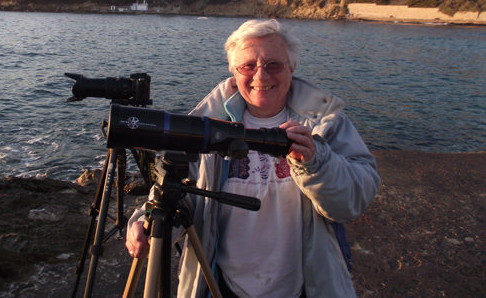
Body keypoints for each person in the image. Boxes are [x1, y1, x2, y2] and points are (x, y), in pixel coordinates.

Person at [126, 19, 380, 298]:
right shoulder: (207, 122)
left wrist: (316, 161)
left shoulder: (325, 122)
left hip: (308, 287)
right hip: (218, 284)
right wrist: (146, 222)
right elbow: (183, 189)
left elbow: (356, 197)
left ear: (291, 67)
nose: (261, 76)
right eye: (248, 66)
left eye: (274, 64)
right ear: (234, 72)